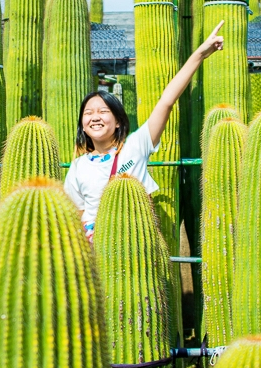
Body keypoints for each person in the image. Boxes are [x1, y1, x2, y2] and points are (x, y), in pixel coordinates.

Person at [64, 20, 226, 240]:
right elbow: (77, 213)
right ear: (82, 123)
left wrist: (200, 54)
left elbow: (166, 101)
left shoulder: (135, 146)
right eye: (88, 113)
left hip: (136, 247)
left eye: (103, 111)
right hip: (97, 252)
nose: (95, 117)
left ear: (118, 121)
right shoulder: (78, 166)